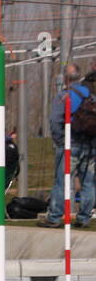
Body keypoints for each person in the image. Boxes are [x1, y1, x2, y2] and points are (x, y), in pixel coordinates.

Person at [39, 63, 95, 228]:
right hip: (90, 145)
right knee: (89, 182)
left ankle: (55, 217)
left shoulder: (64, 96)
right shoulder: (90, 94)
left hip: (71, 144)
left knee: (62, 180)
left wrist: (60, 141)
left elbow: (55, 121)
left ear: (65, 78)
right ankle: (84, 217)